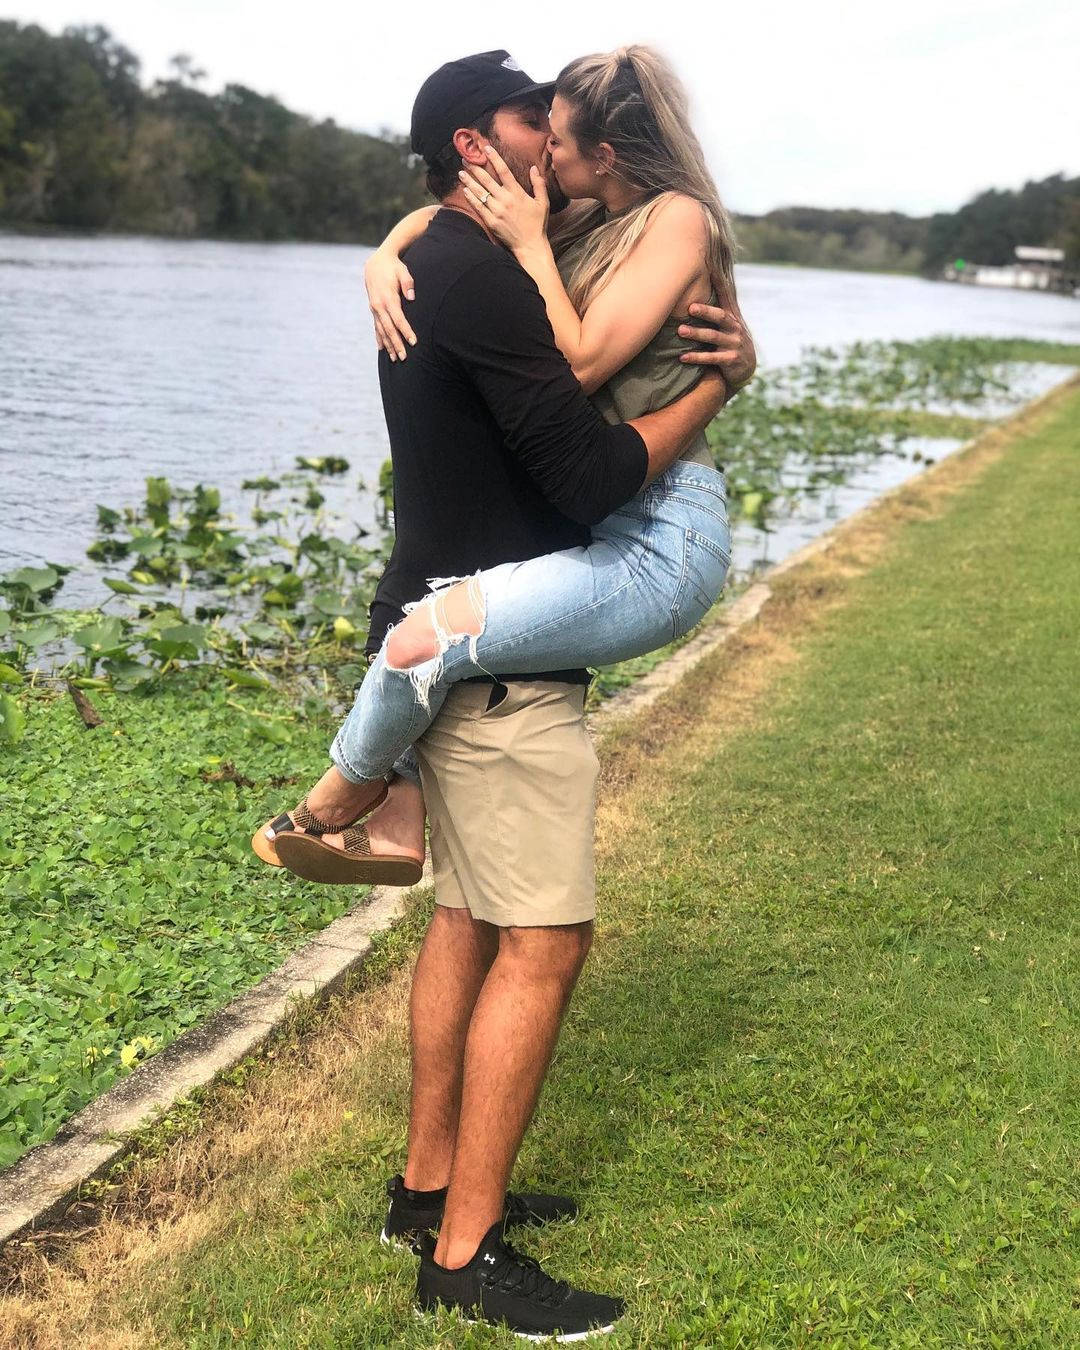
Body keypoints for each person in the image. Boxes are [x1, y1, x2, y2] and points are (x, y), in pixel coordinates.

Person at [255, 49, 755, 1341]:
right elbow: (588, 474)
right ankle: (462, 1259)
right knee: (542, 935)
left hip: (525, 601)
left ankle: (428, 1195)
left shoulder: (472, 253)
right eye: (542, 120)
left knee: (472, 919)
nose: (558, 143)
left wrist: (400, 240)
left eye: (570, 125)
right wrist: (721, 384)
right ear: (490, 142)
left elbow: (545, 352)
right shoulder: (484, 263)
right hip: (515, 662)